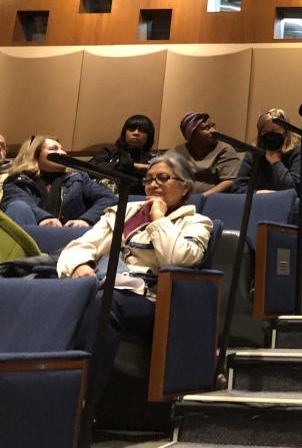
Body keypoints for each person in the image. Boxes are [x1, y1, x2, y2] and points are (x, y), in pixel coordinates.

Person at [58, 153, 212, 392]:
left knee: (106, 302)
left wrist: (158, 219)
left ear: (185, 187)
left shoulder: (196, 223)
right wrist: (79, 265)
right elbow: (79, 246)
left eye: (163, 178)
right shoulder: (122, 212)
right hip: (99, 284)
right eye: (149, 179)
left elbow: (177, 259)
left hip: (150, 299)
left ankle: (81, 398)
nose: (154, 185)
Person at [233, 108, 302, 237]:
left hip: (299, 208)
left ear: (286, 133)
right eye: (266, 132)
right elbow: (238, 188)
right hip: (261, 204)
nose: (270, 135)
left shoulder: (301, 151)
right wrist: (261, 193)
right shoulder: (254, 153)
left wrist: (275, 162)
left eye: (275, 132)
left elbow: (296, 190)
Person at [1, 135, 115, 228]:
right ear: (35, 154)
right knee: (17, 206)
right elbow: (20, 200)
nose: (63, 153)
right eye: (53, 149)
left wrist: (86, 220)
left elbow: (108, 198)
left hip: (70, 237)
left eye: (62, 149)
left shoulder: (79, 178)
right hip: (33, 233)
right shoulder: (17, 180)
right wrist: (43, 217)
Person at [171, 112, 241, 196]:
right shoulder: (177, 152)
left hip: (212, 201)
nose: (214, 131)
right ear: (192, 135)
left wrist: (201, 197)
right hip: (178, 199)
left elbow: (230, 181)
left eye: (213, 126)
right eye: (206, 128)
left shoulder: (224, 149)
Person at [90, 114, 161, 183]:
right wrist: (134, 166)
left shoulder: (155, 158)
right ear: (124, 133)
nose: (136, 133)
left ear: (149, 136)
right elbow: (90, 168)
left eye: (142, 130)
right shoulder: (109, 152)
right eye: (131, 129)